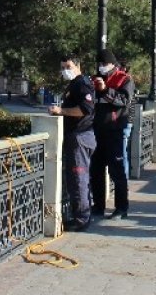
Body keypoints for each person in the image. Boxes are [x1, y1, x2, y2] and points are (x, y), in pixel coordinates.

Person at [48, 55, 96, 232]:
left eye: (68, 66)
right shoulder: (75, 83)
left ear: (78, 65)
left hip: (80, 137)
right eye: (62, 67)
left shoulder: (81, 83)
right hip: (79, 137)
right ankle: (81, 215)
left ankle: (81, 219)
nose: (64, 71)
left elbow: (85, 109)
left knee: (78, 179)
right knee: (78, 179)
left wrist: (61, 110)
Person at [89, 49, 134, 220]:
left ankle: (122, 208)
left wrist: (105, 90)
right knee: (96, 171)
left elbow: (124, 100)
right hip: (97, 130)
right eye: (99, 64)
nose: (101, 67)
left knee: (117, 171)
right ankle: (98, 206)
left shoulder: (124, 79)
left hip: (115, 130)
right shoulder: (94, 79)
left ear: (113, 64)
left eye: (104, 64)